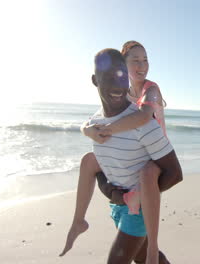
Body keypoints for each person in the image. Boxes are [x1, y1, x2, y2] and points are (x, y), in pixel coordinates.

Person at [62, 48, 182, 264]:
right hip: (119, 206)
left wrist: (140, 195)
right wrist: (111, 192)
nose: (118, 85)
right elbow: (102, 168)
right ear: (94, 80)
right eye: (108, 77)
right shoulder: (96, 123)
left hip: (138, 210)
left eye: (122, 77)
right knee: (144, 257)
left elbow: (174, 173)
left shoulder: (142, 124)